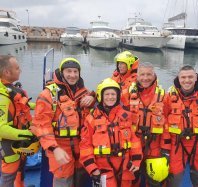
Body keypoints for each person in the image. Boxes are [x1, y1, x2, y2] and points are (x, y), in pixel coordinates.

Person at [31, 57, 95, 187]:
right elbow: (41, 125)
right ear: (61, 72)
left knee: (80, 180)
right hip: (60, 148)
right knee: (63, 182)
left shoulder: (84, 92)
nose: (72, 75)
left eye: (75, 72)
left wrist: (92, 97)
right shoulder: (48, 95)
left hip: (81, 147)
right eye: (69, 71)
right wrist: (54, 148)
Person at [79, 78, 143, 187]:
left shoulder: (126, 116)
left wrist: (136, 161)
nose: (110, 97)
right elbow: (85, 146)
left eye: (113, 94)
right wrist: (93, 169)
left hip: (125, 167)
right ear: (100, 96)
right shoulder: (91, 118)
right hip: (103, 169)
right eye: (107, 94)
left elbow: (134, 140)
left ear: (118, 96)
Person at [122, 62, 171, 186]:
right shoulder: (126, 94)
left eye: (149, 74)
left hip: (154, 145)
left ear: (154, 75)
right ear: (137, 76)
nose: (145, 78)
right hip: (133, 144)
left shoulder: (163, 96)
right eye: (142, 74)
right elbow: (109, 103)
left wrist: (165, 149)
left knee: (155, 179)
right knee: (132, 178)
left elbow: (167, 124)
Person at [0, 55, 35, 187]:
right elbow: (1, 128)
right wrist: (28, 133)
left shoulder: (9, 89)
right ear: (7, 72)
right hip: (8, 146)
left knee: (20, 169)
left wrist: (42, 104)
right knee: (8, 177)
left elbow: (21, 106)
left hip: (19, 143)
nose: (20, 70)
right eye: (17, 68)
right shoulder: (2, 98)